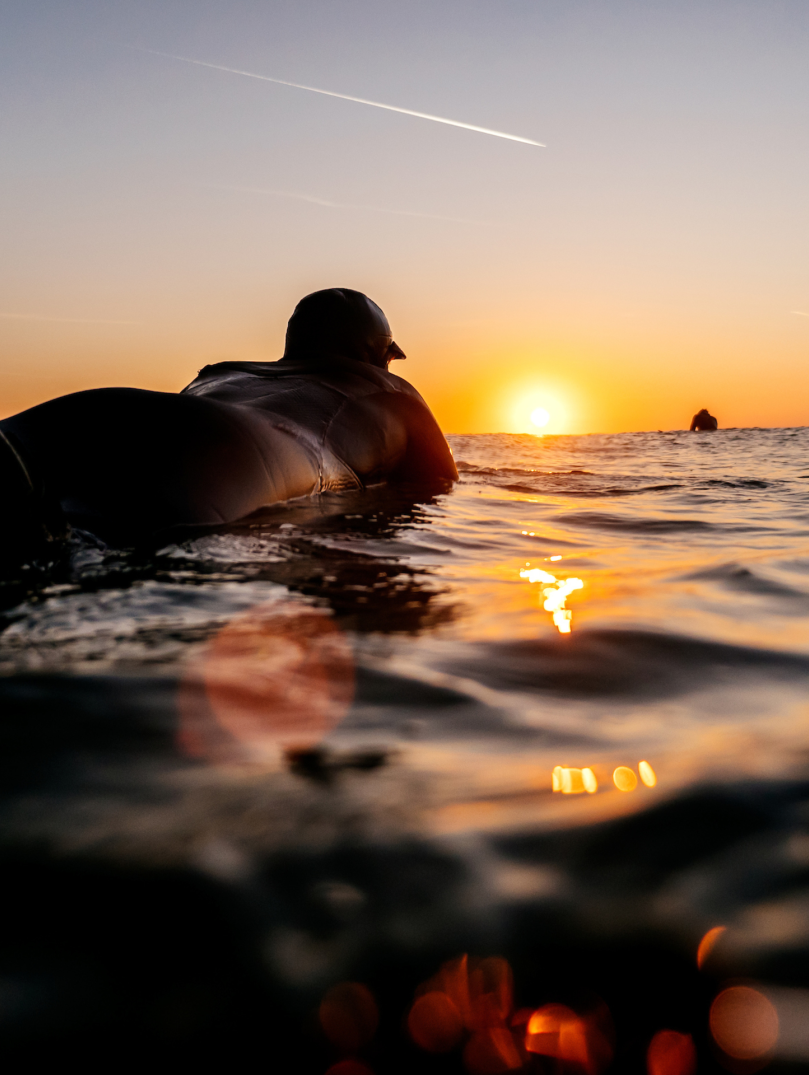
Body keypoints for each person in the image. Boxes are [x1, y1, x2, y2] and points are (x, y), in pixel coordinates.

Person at [0, 289, 457, 558]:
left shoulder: (219, 373)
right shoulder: (396, 395)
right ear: (382, 355)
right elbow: (435, 489)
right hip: (235, 455)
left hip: (93, 412)